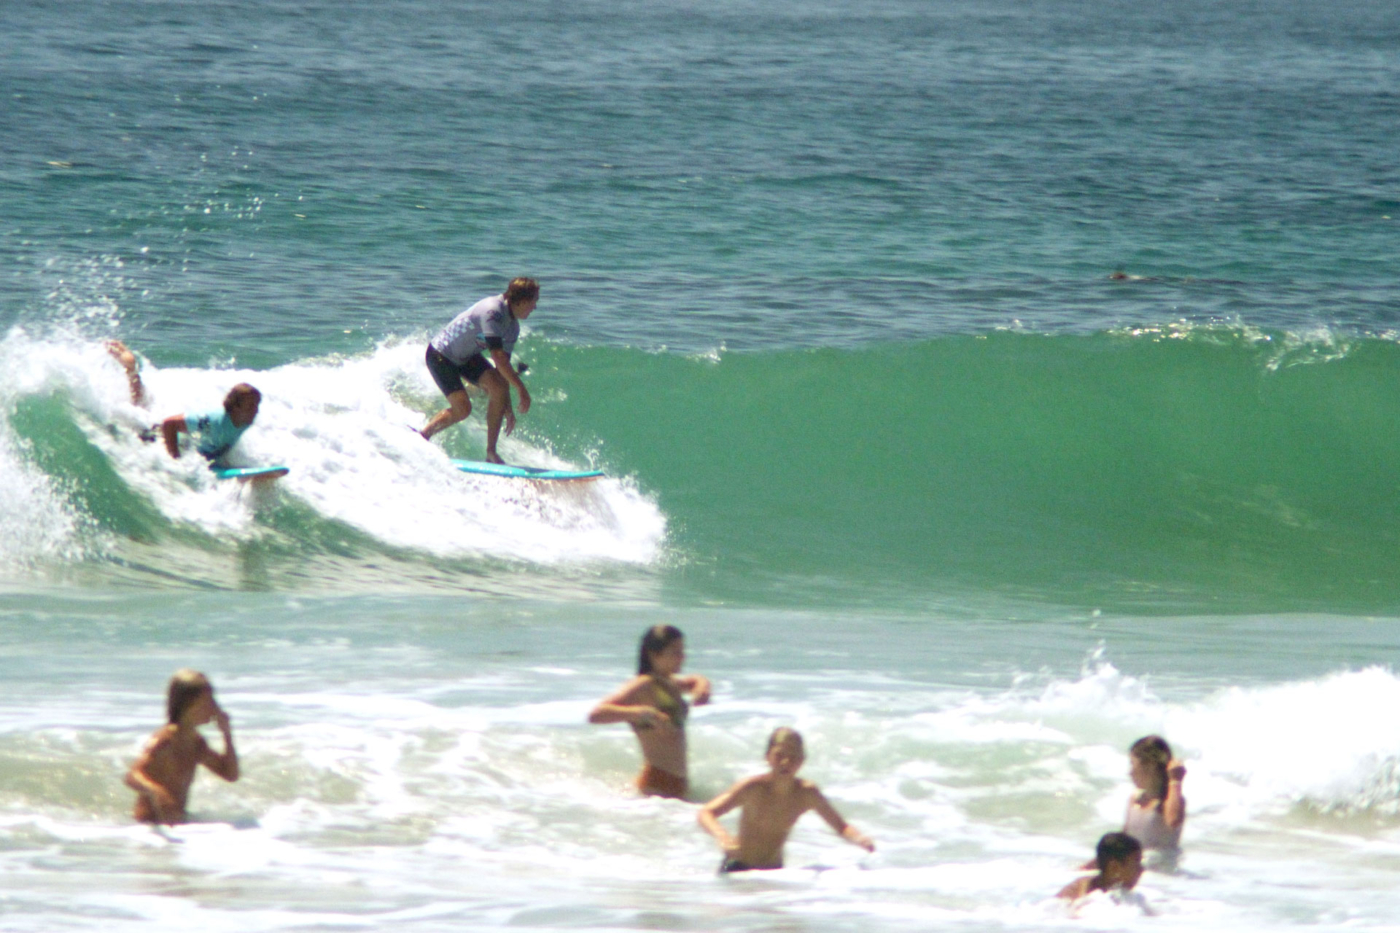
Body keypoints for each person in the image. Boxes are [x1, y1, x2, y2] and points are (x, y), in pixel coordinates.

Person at [697, 727, 875, 872]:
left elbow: (841, 826)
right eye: (779, 755)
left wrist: (859, 839)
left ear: (802, 761)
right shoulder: (752, 788)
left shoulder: (806, 794)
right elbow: (706, 812)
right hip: (737, 869)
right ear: (768, 757)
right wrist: (722, 836)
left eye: (793, 756)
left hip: (774, 873)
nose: (785, 762)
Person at [420, 277, 537, 464]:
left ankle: (491, 453)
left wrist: (506, 403)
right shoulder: (493, 311)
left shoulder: (512, 327)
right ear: (522, 301)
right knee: (463, 409)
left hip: (467, 357)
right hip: (441, 355)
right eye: (533, 302)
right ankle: (423, 436)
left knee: (498, 387)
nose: (535, 308)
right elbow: (497, 356)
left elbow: (502, 370)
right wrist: (521, 390)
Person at [588, 625, 712, 799]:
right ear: (654, 655)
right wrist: (638, 712)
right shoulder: (643, 685)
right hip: (656, 785)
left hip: (678, 785)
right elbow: (596, 714)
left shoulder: (670, 683)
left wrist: (702, 687)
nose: (682, 657)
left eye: (682, 651)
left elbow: (695, 680)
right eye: (675, 652)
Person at [108, 340, 264, 464]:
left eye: (257, 405)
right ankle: (130, 368)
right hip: (155, 435)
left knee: (142, 403)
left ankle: (132, 371)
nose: (256, 410)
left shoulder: (245, 421)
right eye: (251, 406)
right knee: (138, 409)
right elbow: (170, 424)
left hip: (189, 443)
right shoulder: (211, 420)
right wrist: (175, 460)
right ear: (236, 408)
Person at [124, 669, 240, 824]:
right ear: (188, 705)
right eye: (208, 701)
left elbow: (230, 774)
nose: (214, 707)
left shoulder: (196, 744)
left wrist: (227, 735)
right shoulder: (165, 740)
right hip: (149, 827)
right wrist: (155, 791)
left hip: (177, 824)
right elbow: (132, 776)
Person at [1123, 735, 1186, 851]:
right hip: (1134, 867)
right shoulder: (1134, 799)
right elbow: (1124, 841)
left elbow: (1173, 821)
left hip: (1162, 868)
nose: (1130, 772)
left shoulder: (1169, 801)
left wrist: (1175, 780)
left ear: (1150, 765)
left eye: (1133, 763)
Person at [1058, 832, 1144, 900]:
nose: (1142, 869)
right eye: (1136, 863)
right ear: (1114, 868)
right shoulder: (1084, 893)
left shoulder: (1121, 895)